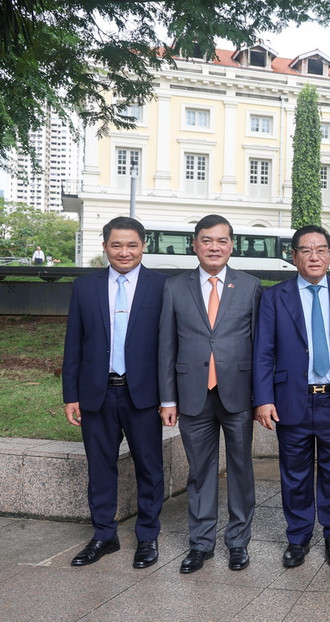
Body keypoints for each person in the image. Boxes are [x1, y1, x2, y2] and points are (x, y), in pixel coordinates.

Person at [253, 225, 330, 569]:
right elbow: (263, 351)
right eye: (306, 250)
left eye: (320, 250)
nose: (314, 256)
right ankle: (298, 538)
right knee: (295, 474)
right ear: (294, 256)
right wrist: (263, 398)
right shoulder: (275, 296)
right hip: (292, 399)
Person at [158, 214, 262, 574]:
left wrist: (262, 397)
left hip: (238, 394)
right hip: (192, 395)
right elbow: (166, 347)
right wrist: (168, 400)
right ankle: (200, 544)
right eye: (206, 240)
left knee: (240, 469)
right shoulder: (174, 287)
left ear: (232, 245)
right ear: (195, 244)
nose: (214, 247)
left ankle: (238, 543)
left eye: (221, 240)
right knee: (200, 472)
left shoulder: (250, 286)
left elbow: (260, 347)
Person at [62, 217, 167, 569]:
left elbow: (170, 347)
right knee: (100, 467)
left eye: (132, 245)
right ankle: (104, 535)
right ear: (105, 246)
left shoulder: (162, 286)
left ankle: (147, 536)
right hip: (97, 393)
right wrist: (70, 394)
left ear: (143, 246)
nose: (125, 252)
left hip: (144, 396)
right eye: (117, 245)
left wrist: (170, 398)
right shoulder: (85, 287)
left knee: (150, 468)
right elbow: (73, 344)